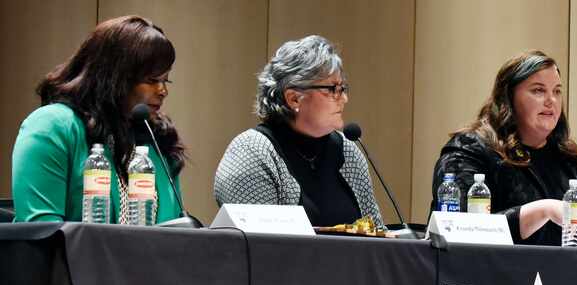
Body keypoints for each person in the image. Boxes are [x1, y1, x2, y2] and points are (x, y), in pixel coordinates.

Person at [430, 50, 577, 246]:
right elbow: (458, 229)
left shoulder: (572, 160)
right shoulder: (470, 149)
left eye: (557, 91)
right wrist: (542, 210)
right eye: (538, 90)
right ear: (509, 98)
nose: (551, 100)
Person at [12, 15, 186, 223]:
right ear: (113, 76)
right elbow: (41, 233)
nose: (163, 90)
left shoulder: (156, 139)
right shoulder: (53, 127)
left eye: (166, 80)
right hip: (74, 256)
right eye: (152, 80)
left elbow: (177, 231)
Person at [214, 35, 384, 229]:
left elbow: (376, 234)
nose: (343, 98)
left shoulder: (347, 151)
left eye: (343, 88)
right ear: (294, 98)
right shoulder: (251, 153)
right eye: (332, 89)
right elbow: (258, 246)